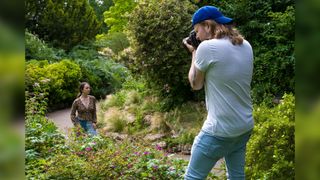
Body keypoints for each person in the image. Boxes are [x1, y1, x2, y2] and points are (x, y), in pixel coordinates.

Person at [183, 6, 254, 180]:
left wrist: (194, 52)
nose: (196, 35)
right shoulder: (246, 45)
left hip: (219, 131)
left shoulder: (207, 48)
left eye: (196, 29)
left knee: (192, 177)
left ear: (207, 26)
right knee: (236, 176)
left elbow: (195, 84)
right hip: (243, 127)